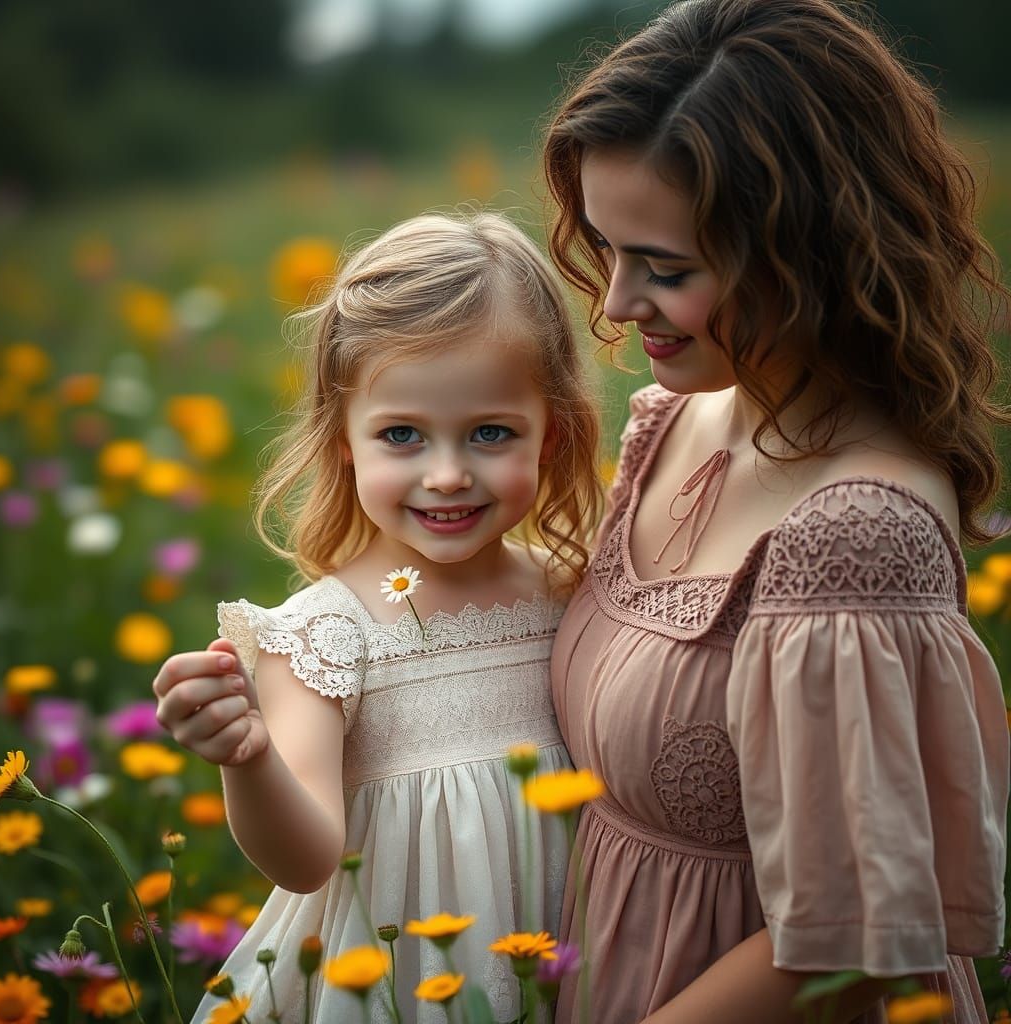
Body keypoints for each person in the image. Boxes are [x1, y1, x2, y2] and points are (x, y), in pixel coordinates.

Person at [542, 0, 1009, 1021]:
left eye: (665, 269)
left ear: (809, 253)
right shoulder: (672, 421)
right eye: (608, 250)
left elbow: (847, 954)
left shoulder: (854, 530)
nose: (617, 303)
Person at [152, 211, 603, 1022]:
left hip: (567, 967)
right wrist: (249, 759)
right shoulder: (327, 634)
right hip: (394, 983)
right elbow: (306, 858)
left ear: (552, 435)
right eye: (402, 434)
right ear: (345, 442)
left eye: (491, 432)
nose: (446, 474)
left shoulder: (574, 593)